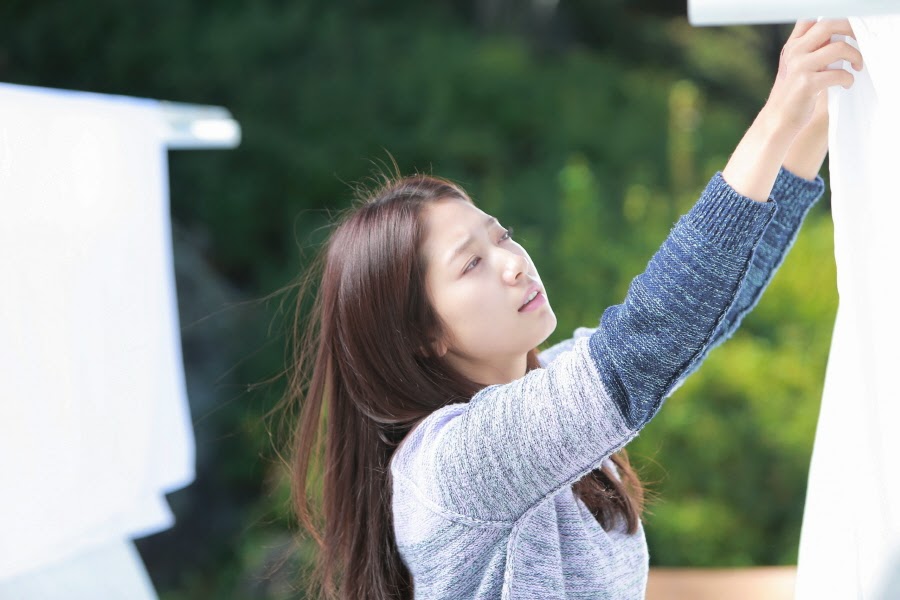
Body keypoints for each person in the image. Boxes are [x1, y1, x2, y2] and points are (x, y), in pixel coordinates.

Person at [284, 18, 862, 600]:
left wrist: (811, 127)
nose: (513, 263)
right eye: (472, 263)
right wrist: (776, 117)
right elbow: (649, 340)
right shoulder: (448, 469)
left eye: (502, 236)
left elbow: (707, 311)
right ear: (422, 335)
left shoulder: (551, 378)